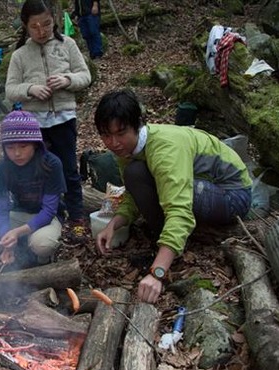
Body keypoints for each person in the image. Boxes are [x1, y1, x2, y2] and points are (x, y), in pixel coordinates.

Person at [93, 89, 253, 303]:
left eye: (121, 133)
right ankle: (167, 239)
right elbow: (132, 193)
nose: (113, 143)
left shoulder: (165, 148)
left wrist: (157, 273)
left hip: (232, 193)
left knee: (173, 195)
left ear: (137, 126)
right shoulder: (128, 150)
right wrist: (114, 224)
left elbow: (180, 209)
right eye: (106, 135)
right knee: (135, 173)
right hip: (201, 186)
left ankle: (170, 250)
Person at [5, 0, 91, 239]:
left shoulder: (68, 45)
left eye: (47, 24)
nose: (42, 31)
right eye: (35, 26)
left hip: (64, 118)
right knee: (37, 170)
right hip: (34, 126)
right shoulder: (20, 55)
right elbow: (10, 89)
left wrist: (67, 80)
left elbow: (86, 75)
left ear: (54, 19)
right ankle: (46, 215)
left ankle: (76, 218)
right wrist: (31, 89)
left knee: (68, 170)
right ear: (26, 26)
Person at [0, 111, 66, 267]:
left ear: (35, 144)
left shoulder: (52, 164)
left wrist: (17, 233)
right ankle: (14, 257)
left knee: (42, 244)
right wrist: (6, 238)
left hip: (47, 218)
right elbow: (2, 209)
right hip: (18, 214)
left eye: (23, 146)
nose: (17, 153)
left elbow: (49, 211)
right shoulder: (2, 169)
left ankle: (41, 262)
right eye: (10, 147)